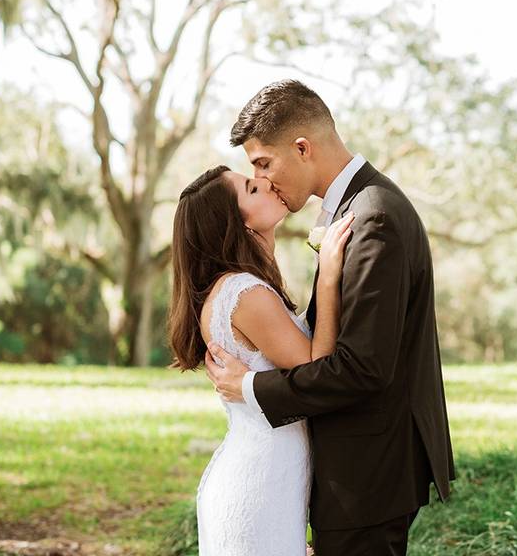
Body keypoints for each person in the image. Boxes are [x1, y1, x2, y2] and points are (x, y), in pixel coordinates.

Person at [204, 79, 455, 556]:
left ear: (302, 147)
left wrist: (253, 389)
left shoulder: (373, 216)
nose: (262, 177)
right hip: (356, 469)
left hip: (368, 471)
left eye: (263, 163)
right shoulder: (352, 209)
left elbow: (363, 368)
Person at [167, 162, 354, 555]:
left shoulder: (245, 286)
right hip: (258, 489)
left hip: (270, 485)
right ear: (235, 225)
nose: (267, 183)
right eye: (252, 189)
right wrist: (330, 276)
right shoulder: (244, 292)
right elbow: (316, 369)